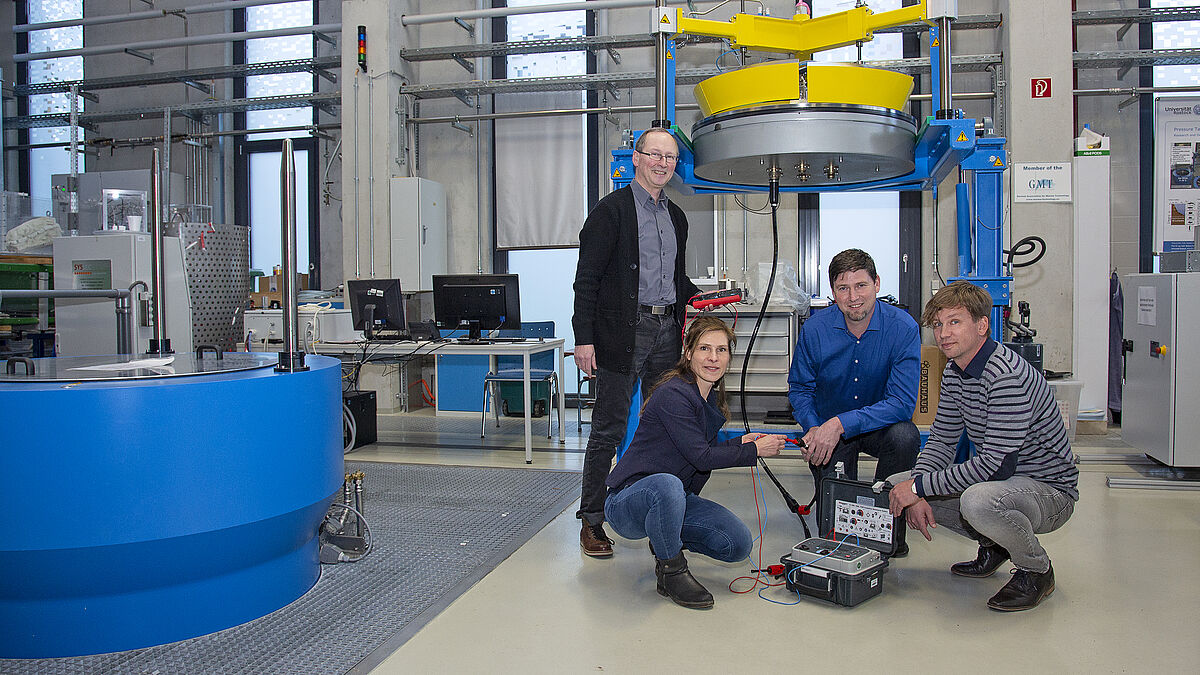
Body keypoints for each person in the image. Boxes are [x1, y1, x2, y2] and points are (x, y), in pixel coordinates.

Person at [887, 281, 1079, 612]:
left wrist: (918, 487)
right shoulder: (954, 372)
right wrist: (915, 486)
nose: (943, 333)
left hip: (1050, 492)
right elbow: (943, 442)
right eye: (938, 324)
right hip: (1005, 486)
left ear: (982, 325)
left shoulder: (1005, 376)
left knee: (978, 501)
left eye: (955, 322)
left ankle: (1037, 571)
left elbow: (995, 465)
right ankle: (994, 543)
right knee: (894, 485)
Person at [572, 127, 702, 557]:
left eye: (670, 157)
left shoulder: (676, 217)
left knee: (664, 423)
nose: (663, 163)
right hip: (621, 334)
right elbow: (586, 281)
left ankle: (658, 509)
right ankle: (592, 521)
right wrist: (583, 339)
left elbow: (675, 279)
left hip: (667, 331)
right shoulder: (610, 213)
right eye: (655, 155)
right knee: (608, 428)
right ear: (636, 157)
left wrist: (703, 300)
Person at [604, 316, 788, 608]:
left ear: (729, 356)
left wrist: (742, 442)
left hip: (673, 498)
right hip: (629, 501)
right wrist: (755, 452)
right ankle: (672, 571)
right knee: (667, 484)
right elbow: (701, 457)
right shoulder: (674, 394)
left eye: (721, 350)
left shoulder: (708, 398)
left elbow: (701, 450)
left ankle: (665, 542)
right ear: (688, 352)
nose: (713, 358)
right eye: (704, 349)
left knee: (737, 543)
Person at [786, 249, 921, 508]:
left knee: (905, 436)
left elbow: (902, 403)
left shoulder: (902, 328)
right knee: (834, 525)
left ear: (877, 283)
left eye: (861, 285)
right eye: (843, 288)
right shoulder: (815, 330)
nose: (853, 297)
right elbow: (800, 389)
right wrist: (814, 428)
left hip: (879, 427)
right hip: (828, 431)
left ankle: (887, 512)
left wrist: (841, 423)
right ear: (833, 292)